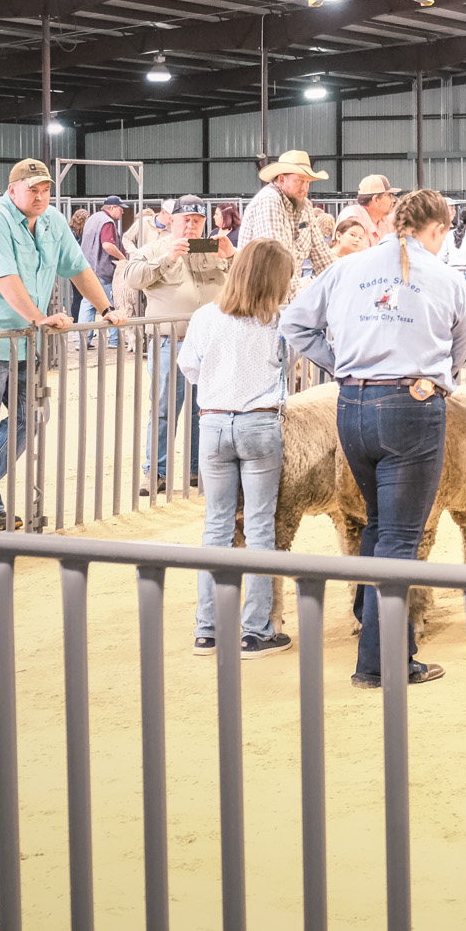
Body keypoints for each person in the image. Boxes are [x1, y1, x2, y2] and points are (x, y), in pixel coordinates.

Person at [284, 189, 466, 688]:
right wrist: (435, 377)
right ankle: (381, 662)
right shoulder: (446, 276)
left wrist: (342, 363)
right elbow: (463, 339)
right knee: (399, 537)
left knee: (376, 526)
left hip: (353, 408)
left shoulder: (347, 269)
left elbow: (295, 323)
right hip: (411, 409)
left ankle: (376, 636)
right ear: (436, 229)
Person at [0, 160, 125, 529]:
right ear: (12, 190)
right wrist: (39, 318)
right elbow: (5, 278)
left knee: (34, 416)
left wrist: (107, 307)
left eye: (44, 188)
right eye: (32, 189)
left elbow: (77, 268)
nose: (40, 195)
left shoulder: (53, 221)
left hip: (26, 341)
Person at [178, 238, 297, 658]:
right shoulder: (279, 321)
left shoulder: (206, 316)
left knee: (217, 526)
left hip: (212, 423)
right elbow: (289, 365)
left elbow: (189, 366)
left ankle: (207, 629)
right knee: (261, 525)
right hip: (259, 424)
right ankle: (255, 630)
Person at [124, 195, 232, 496]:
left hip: (211, 344)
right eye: (186, 220)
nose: (191, 227)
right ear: (172, 219)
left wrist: (232, 255)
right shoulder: (154, 250)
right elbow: (131, 278)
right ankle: (156, 472)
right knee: (163, 408)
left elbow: (241, 280)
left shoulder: (214, 251)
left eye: (198, 221)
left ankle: (200, 469)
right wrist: (167, 258)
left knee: (208, 409)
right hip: (171, 341)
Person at [242, 150, 334, 298]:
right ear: (282, 179)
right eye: (299, 181)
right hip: (260, 298)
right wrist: (302, 301)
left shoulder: (304, 205)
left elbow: (322, 255)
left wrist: (342, 285)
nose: (305, 188)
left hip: (286, 297)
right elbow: (275, 262)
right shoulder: (269, 200)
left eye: (308, 182)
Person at [76, 195, 127, 345]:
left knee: (88, 303)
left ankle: (82, 341)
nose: (122, 212)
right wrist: (122, 258)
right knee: (111, 303)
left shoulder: (93, 218)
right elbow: (107, 245)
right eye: (120, 209)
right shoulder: (107, 222)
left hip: (88, 267)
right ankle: (115, 340)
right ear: (111, 208)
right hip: (102, 269)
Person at [340, 174, 397, 241]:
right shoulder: (354, 218)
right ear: (375, 199)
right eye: (389, 195)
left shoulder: (385, 220)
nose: (393, 200)